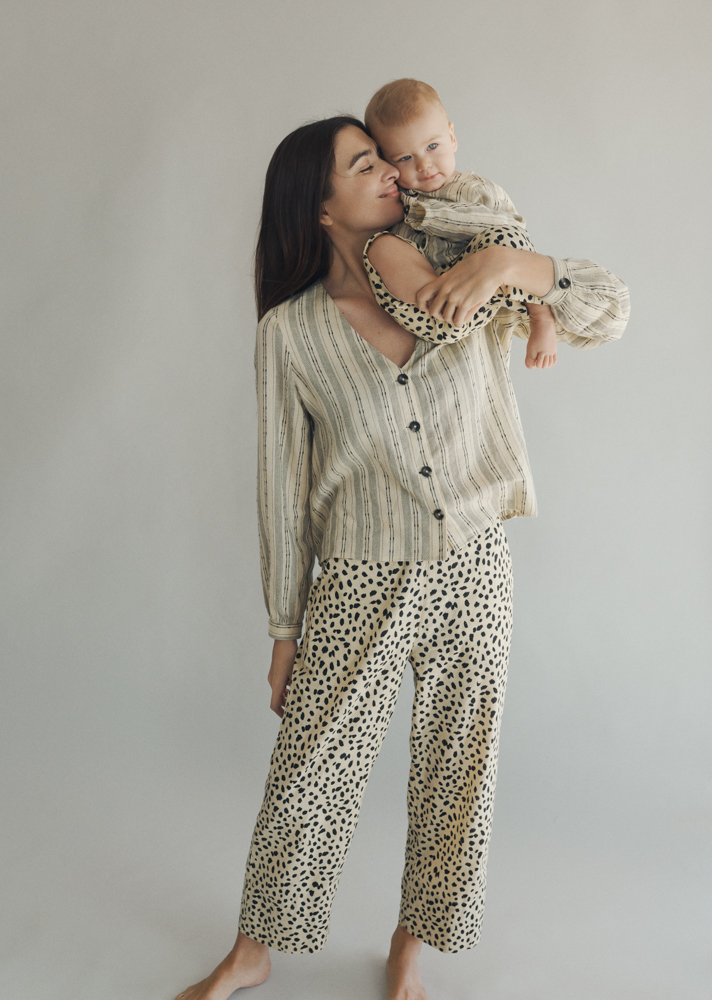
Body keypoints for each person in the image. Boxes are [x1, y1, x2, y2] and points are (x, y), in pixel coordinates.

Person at [175, 116, 629, 1000]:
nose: (392, 170)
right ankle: (253, 950)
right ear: (320, 209)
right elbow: (281, 490)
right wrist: (283, 630)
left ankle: (410, 945)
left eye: (385, 156)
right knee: (311, 768)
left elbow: (611, 310)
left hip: (475, 566)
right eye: (364, 164)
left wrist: (513, 266)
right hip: (358, 576)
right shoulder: (293, 332)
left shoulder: (463, 276)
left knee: (459, 768)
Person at [365, 77, 558, 371]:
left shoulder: (478, 192)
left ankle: (543, 319)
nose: (424, 165)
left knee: (508, 237)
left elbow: (521, 250)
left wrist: (540, 316)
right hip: (429, 306)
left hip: (478, 296)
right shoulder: (396, 202)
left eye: (432, 146)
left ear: (452, 137)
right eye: (405, 157)